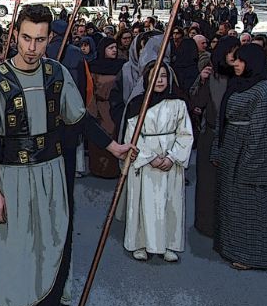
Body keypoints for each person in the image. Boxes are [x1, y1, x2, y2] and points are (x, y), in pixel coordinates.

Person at [0, 4, 135, 306]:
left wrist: (114, 146)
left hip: (51, 173)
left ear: (50, 39)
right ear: (15, 35)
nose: (32, 47)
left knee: (53, 246)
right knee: (11, 253)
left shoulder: (57, 75)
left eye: (40, 40)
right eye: (26, 38)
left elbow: (79, 120)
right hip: (10, 177)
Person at [211, 44, 267, 270]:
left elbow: (260, 131)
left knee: (251, 204)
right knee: (232, 202)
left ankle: (251, 255)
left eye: (241, 61)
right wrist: (219, 147)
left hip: (253, 152)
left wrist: (249, 164)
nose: (236, 65)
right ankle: (230, 246)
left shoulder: (264, 90)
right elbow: (224, 116)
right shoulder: (239, 83)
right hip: (233, 145)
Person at [121, 61, 193, 262]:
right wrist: (150, 157)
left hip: (170, 161)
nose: (159, 80)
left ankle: (168, 244)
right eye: (155, 76)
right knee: (144, 203)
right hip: (147, 163)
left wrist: (172, 156)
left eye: (163, 76)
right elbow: (132, 135)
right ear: (147, 78)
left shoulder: (178, 103)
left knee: (169, 204)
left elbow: (185, 133)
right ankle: (140, 243)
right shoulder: (138, 104)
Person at [190, 37, 238, 237]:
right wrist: (202, 80)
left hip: (234, 135)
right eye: (232, 54)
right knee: (208, 183)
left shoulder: (241, 77)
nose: (235, 59)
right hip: (210, 134)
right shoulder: (210, 75)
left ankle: (229, 225)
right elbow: (196, 105)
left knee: (231, 183)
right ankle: (206, 224)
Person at [87, 37, 126, 178]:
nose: (114, 50)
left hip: (117, 106)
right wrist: (92, 111)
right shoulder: (94, 66)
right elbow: (90, 90)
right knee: (101, 134)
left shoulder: (122, 66)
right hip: (100, 106)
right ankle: (99, 168)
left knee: (117, 136)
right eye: (110, 48)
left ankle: (115, 169)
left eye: (115, 47)